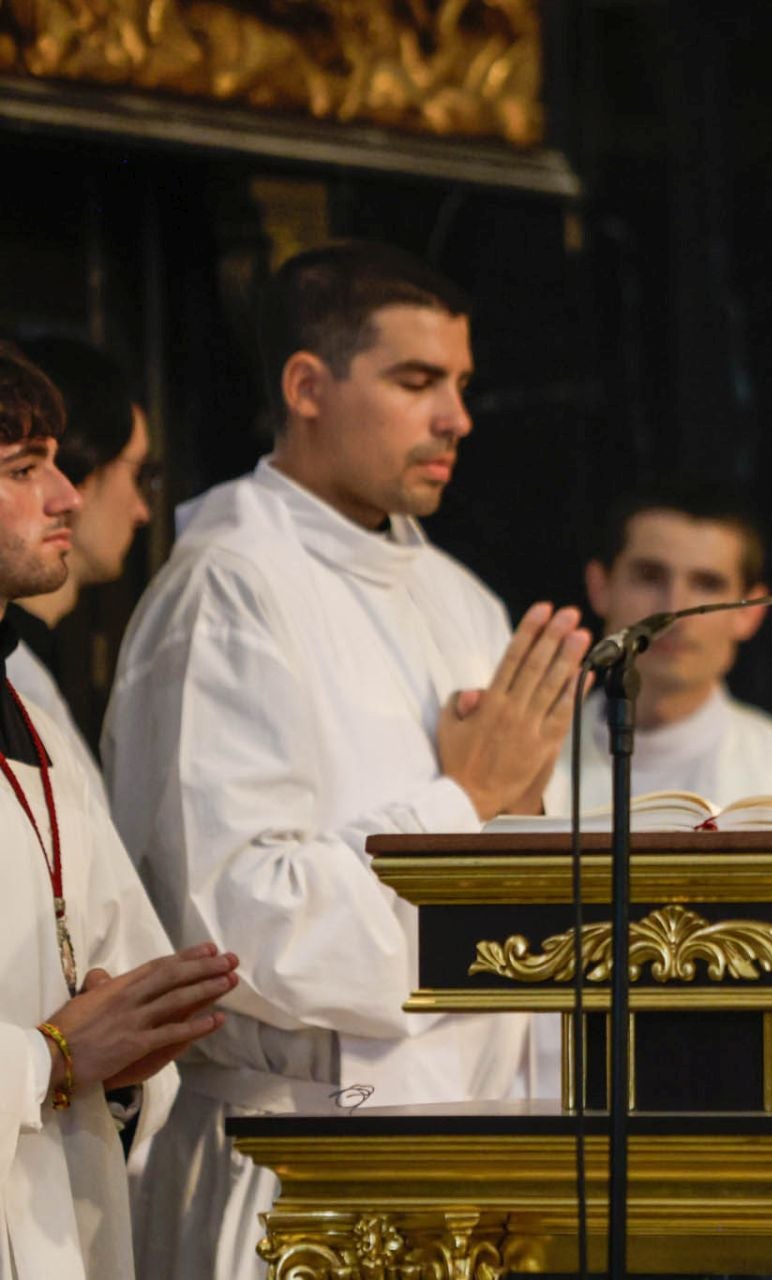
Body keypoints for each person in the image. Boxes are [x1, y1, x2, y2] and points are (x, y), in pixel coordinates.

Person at [102, 243, 591, 1279]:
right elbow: (239, 931)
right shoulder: (228, 590)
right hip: (297, 1169)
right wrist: (466, 801)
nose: (456, 417)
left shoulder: (462, 599)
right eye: (417, 380)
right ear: (306, 386)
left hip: (473, 1164)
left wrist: (523, 817)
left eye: (461, 384)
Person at [0, 343, 239, 1278]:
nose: (67, 494)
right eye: (23, 469)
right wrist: (55, 1059)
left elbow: (105, 966)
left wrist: (124, 1055)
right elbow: (62, 1047)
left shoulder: (33, 728)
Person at [569, 482, 772, 810]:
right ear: (600, 586)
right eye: (650, 577)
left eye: (707, 584)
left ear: (750, 612)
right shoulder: (529, 763)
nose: (673, 611)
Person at [3, 336, 154, 762]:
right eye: (139, 474)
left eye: (53, 463)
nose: (68, 496)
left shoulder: (31, 675)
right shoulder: (20, 673)